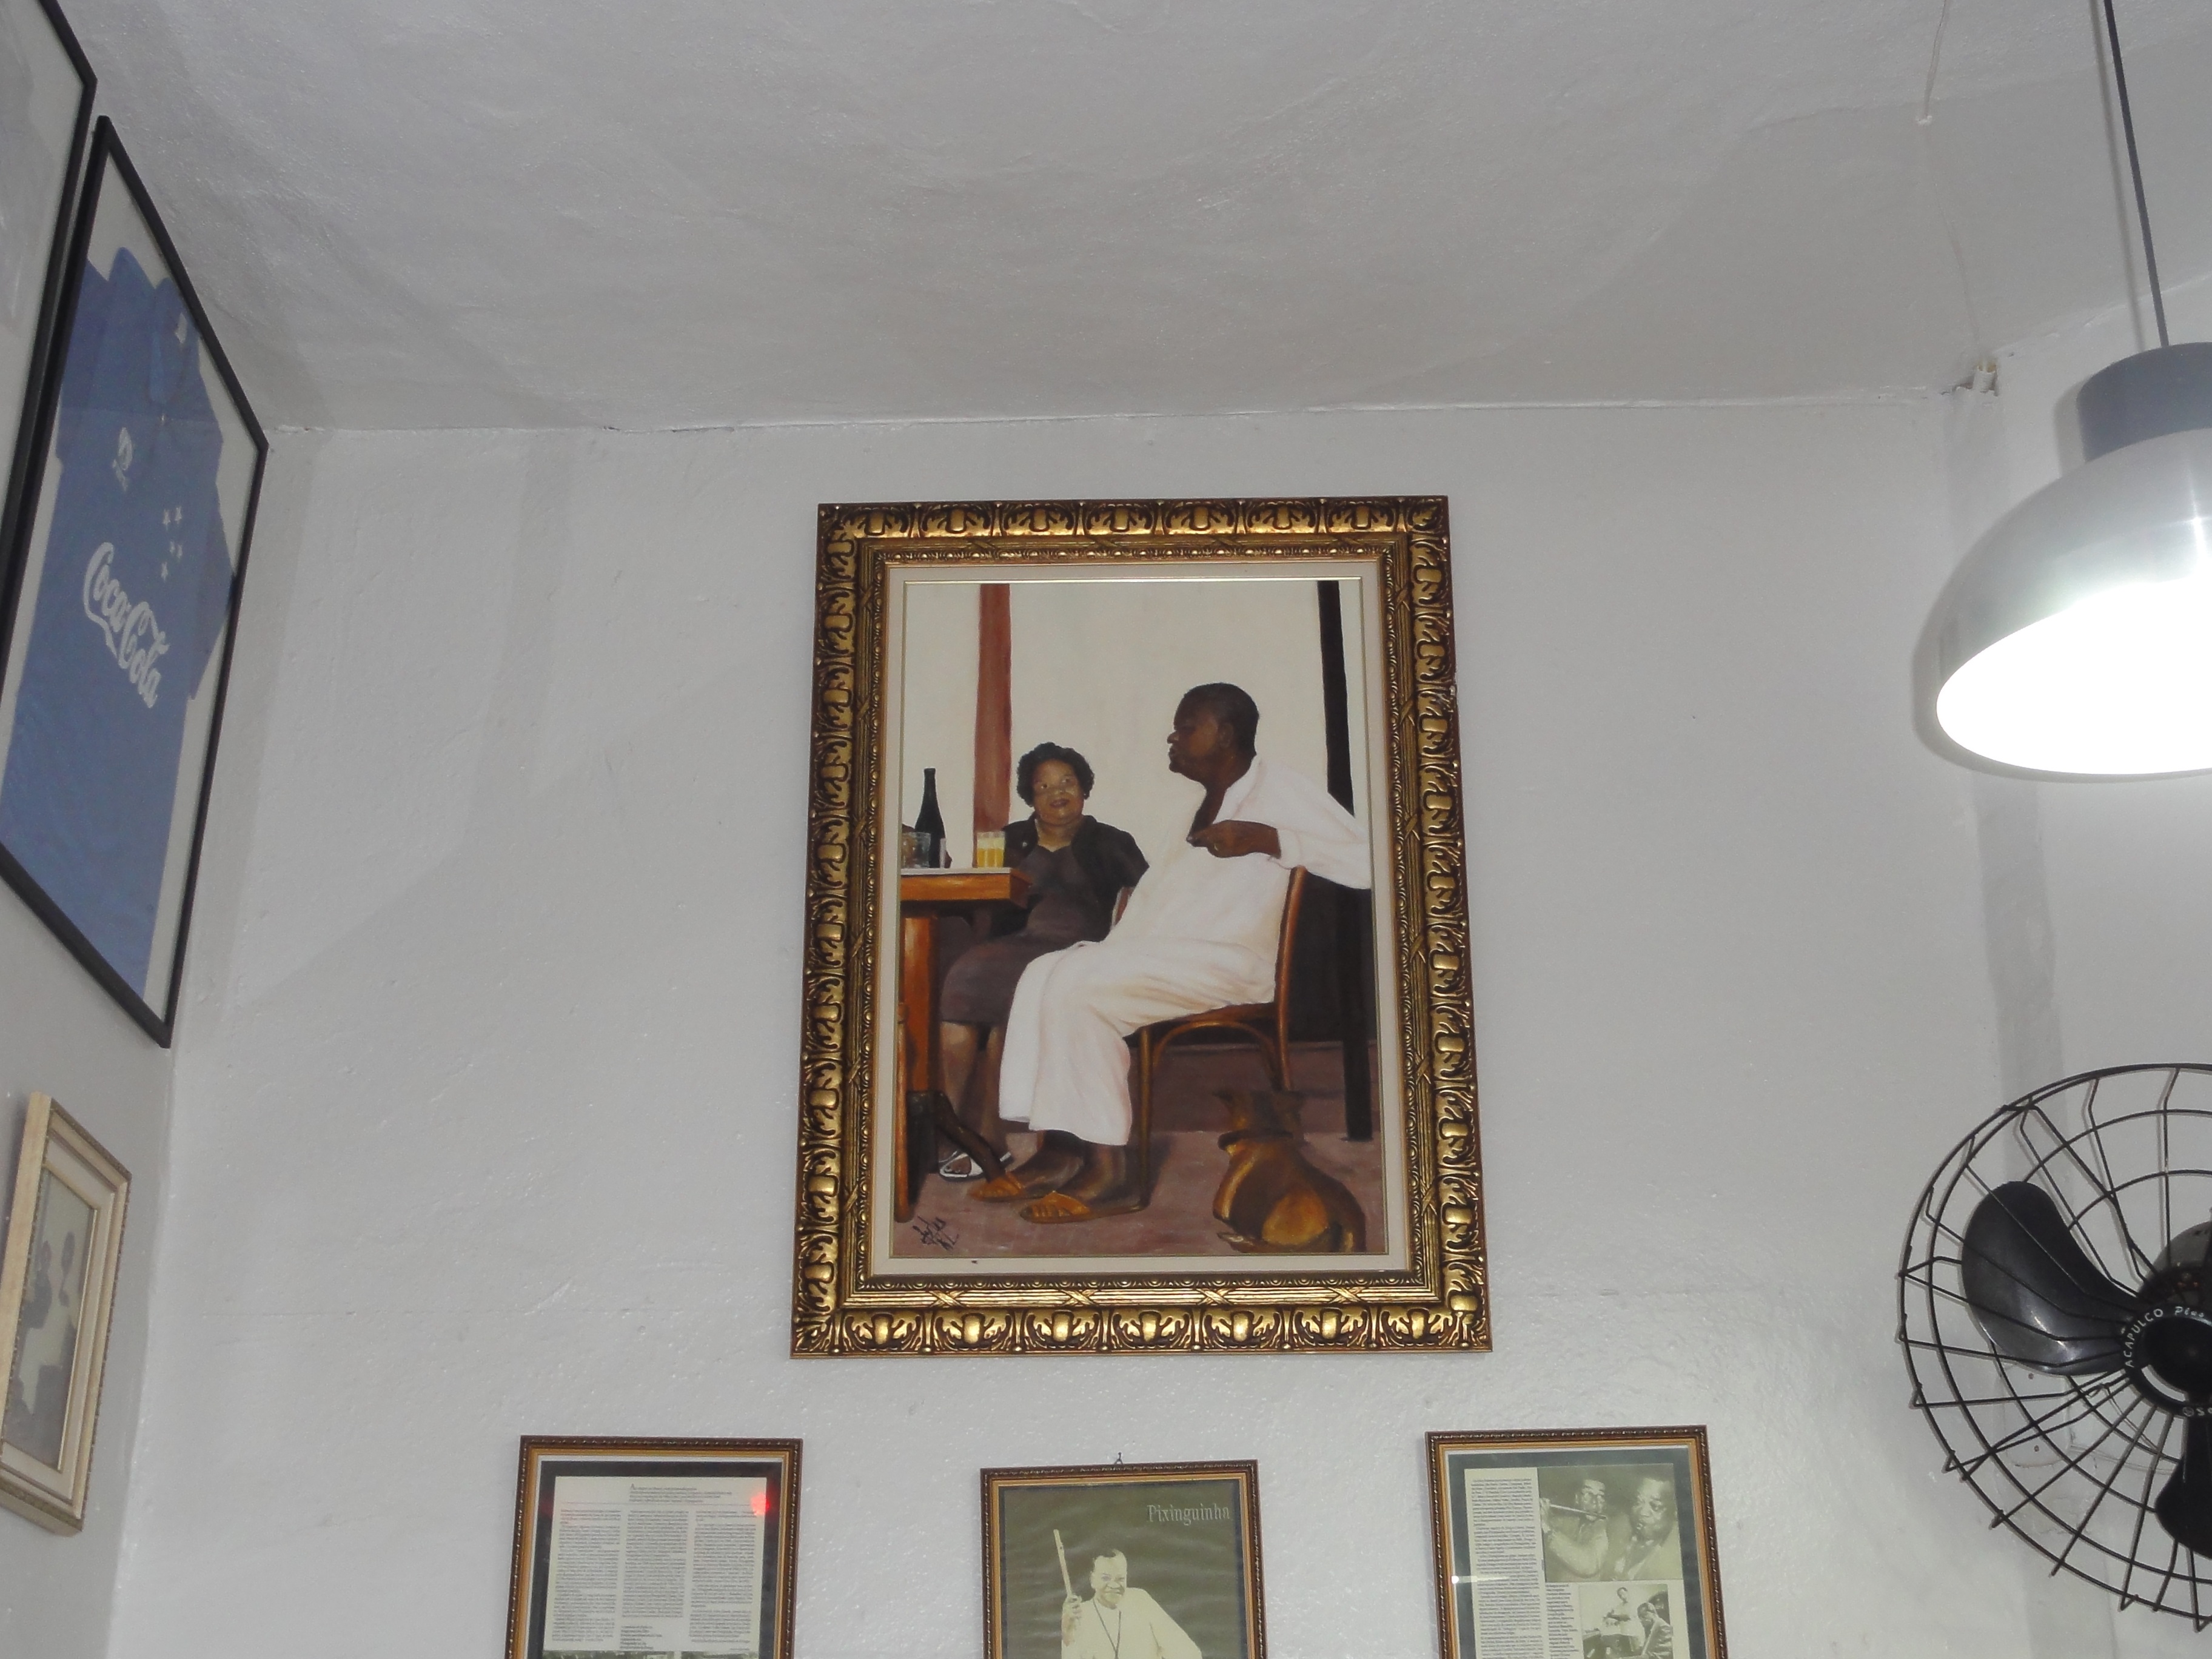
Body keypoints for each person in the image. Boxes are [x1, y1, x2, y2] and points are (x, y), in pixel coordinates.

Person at [996, 682, 1371, 1222]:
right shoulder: (1191, 809)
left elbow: (1373, 862)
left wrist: (1270, 839)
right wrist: (1108, 949)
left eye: (1186, 727)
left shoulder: (1281, 789)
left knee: (1080, 986)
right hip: (1170, 959)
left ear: (1226, 734)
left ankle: (1111, 1172)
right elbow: (1154, 901)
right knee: (1044, 970)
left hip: (1230, 963)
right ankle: (1062, 1149)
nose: (1173, 738)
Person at [938, 743, 1145, 1185]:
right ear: (1030, 797)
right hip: (1013, 944)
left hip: (1079, 951)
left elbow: (1148, 898)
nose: (1058, 793)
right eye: (1044, 786)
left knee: (1008, 1007)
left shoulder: (1111, 841)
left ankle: (988, 1137)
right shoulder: (1011, 839)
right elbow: (986, 897)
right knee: (960, 985)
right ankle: (945, 1128)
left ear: (1084, 788)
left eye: (1067, 782)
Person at [1060, 1548, 1200, 1659]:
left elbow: (1186, 1650)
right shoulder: (1079, 1614)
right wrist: (1068, 1632)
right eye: (1106, 1578)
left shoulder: (1140, 1600)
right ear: (1092, 1580)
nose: (1114, 1585)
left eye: (1120, 1579)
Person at [1601, 1476, 1683, 1584]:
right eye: (1638, 1501)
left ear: (1676, 1511)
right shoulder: (1617, 1529)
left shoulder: (1679, 1556)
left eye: (1655, 1506)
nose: (1642, 1512)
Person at [1542, 1476, 1612, 1581]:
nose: (1594, 1502)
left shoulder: (1604, 1528)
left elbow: (1588, 1565)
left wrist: (1547, 1528)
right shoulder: (1576, 1521)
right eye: (1588, 1494)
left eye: (1600, 1496)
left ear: (1605, 1503)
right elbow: (1554, 1522)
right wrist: (1543, 1510)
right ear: (1577, 1499)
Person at [1635, 1590, 1675, 1659]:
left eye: (1644, 1616)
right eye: (1640, 1617)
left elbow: (1663, 1654)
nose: (1641, 1621)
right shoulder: (1652, 1628)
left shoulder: (1664, 1628)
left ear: (1653, 1613)